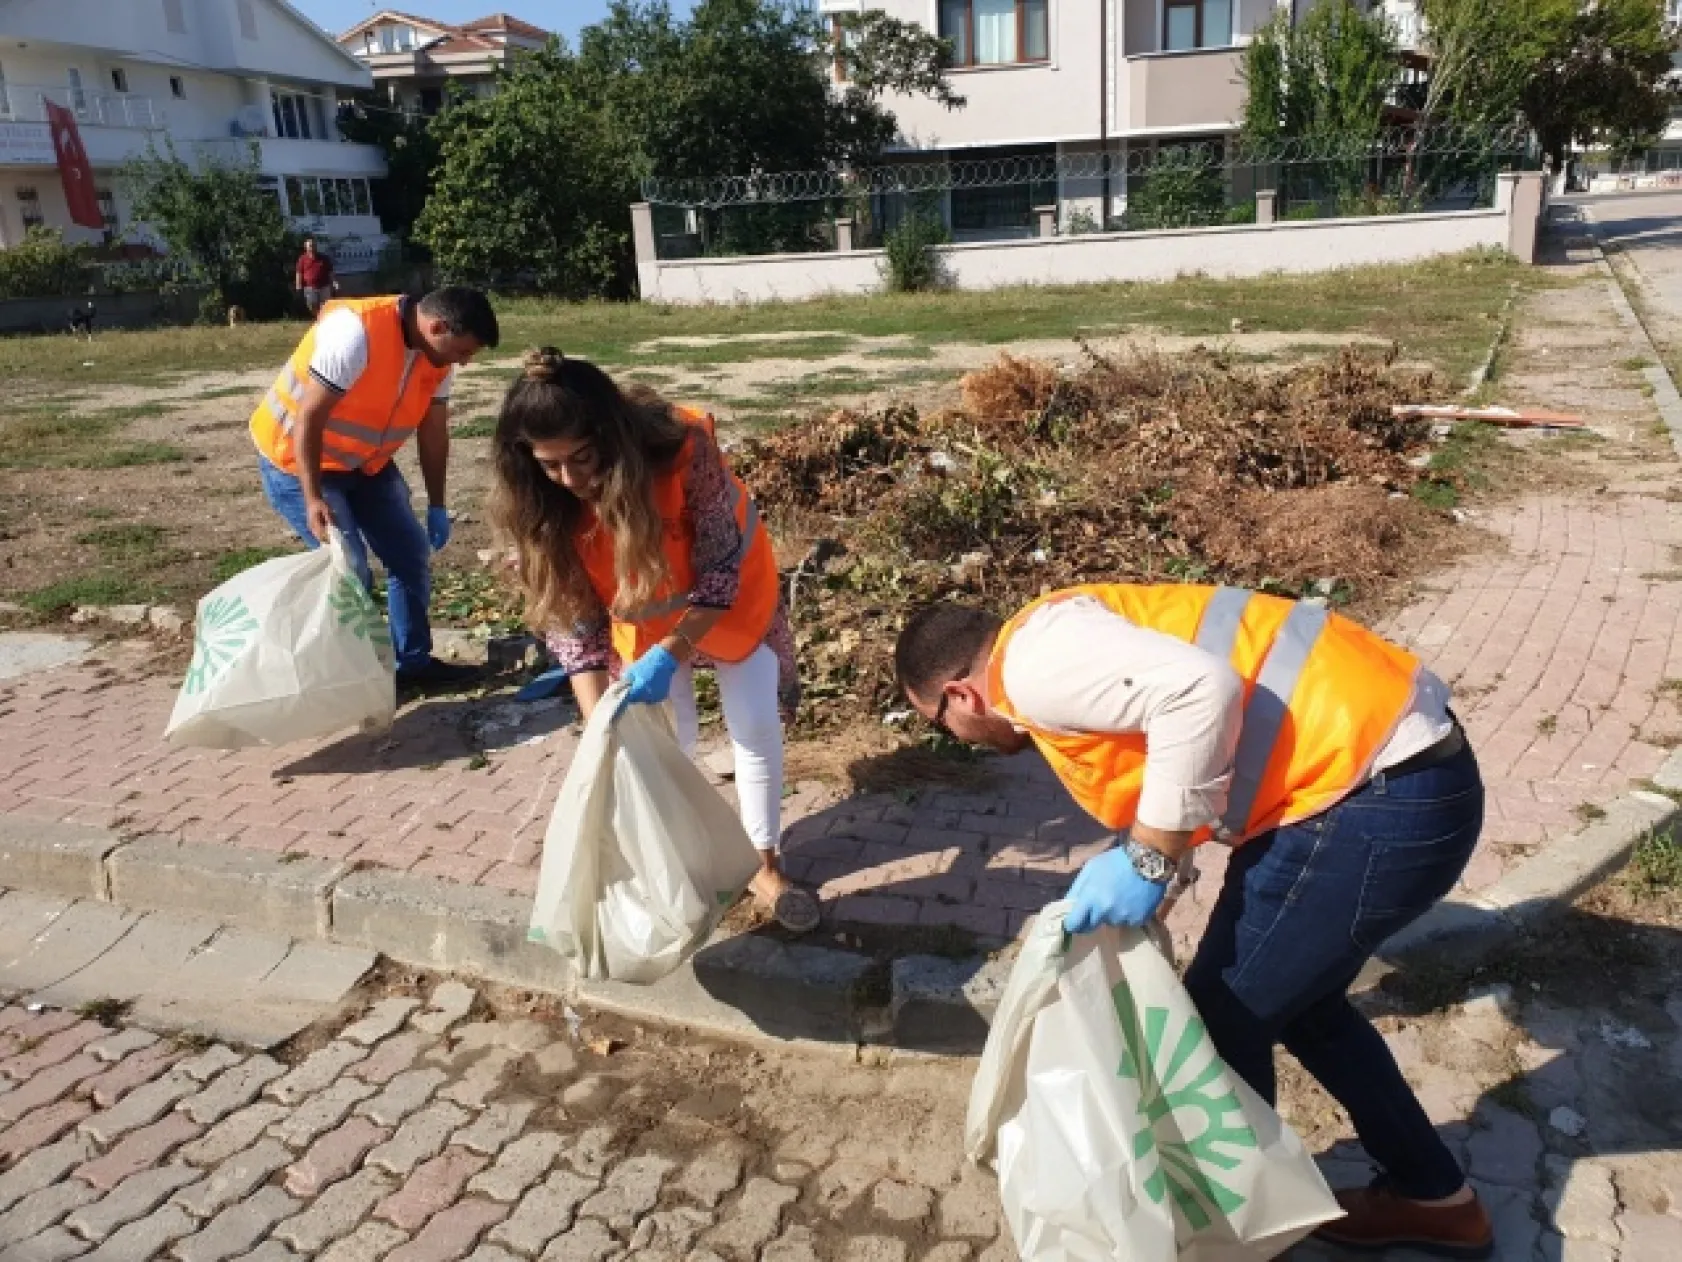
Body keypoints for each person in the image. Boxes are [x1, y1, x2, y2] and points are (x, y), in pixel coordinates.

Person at [894, 583, 1493, 1260]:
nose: (957, 740)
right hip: (1402, 782)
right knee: (1302, 1003)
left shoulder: (1031, 670)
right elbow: (1191, 752)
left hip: (1372, 800)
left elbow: (1200, 691)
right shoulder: (1058, 638)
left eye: (939, 724)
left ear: (960, 695)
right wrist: (1161, 872)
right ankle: (1434, 1200)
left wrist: (1150, 859)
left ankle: (1237, 1239)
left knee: (1221, 1019)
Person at [492, 348, 819, 934]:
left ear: (610, 434)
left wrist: (671, 655)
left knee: (753, 723)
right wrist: (599, 725)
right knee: (666, 741)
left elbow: (719, 572)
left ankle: (764, 861)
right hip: (647, 618)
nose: (571, 479)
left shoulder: (683, 450)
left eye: (582, 458)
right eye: (550, 464)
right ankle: (688, 854)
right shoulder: (542, 506)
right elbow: (576, 627)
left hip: (735, 601)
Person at [250, 286, 499, 691]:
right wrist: (313, 498)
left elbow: (433, 433)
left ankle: (412, 667)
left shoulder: (438, 357)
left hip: (365, 464)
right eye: (462, 351)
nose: (464, 362)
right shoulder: (355, 334)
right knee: (351, 573)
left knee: (410, 553)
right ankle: (359, 680)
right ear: (437, 327)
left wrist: (437, 504)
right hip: (298, 463)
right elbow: (309, 418)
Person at [294, 238, 336, 320]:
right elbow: (299, 273)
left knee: (326, 305)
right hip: (309, 287)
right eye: (310, 246)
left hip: (324, 286)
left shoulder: (324, 258)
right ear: (306, 247)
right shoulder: (302, 259)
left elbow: (330, 272)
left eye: (314, 245)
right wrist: (298, 287)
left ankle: (322, 320)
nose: (312, 247)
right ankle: (318, 317)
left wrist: (334, 282)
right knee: (311, 305)